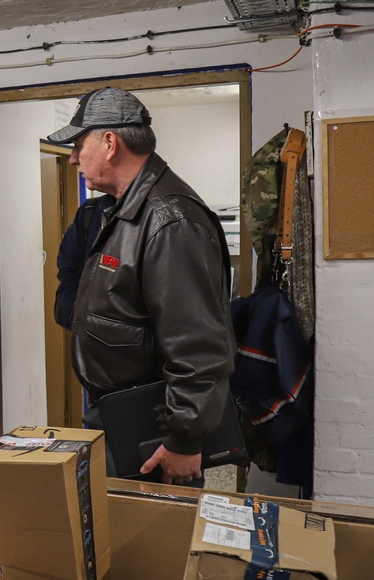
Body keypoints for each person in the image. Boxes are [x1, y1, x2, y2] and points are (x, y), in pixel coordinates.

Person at [46, 87, 235, 486]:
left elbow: (198, 344)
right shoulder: (120, 209)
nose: (75, 158)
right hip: (120, 411)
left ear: (110, 143)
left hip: (156, 423)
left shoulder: (170, 220)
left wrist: (184, 438)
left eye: (80, 145)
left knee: (151, 541)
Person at [54, 193, 112, 329]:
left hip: (128, 339)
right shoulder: (89, 212)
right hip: (85, 332)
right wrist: (74, 318)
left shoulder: (151, 213)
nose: (80, 170)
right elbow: (67, 268)